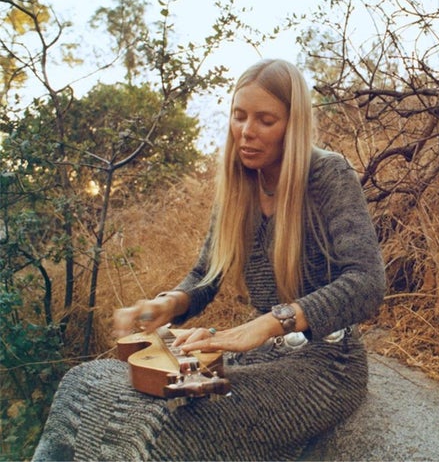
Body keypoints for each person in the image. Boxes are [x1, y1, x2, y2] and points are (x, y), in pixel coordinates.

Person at [33, 59, 387, 461]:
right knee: (83, 382)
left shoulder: (328, 175)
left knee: (168, 421)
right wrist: (167, 305)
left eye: (265, 120)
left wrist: (267, 324)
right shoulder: (241, 183)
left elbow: (367, 281)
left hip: (327, 364)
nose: (246, 131)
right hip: (261, 356)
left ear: (294, 124)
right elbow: (206, 273)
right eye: (239, 116)